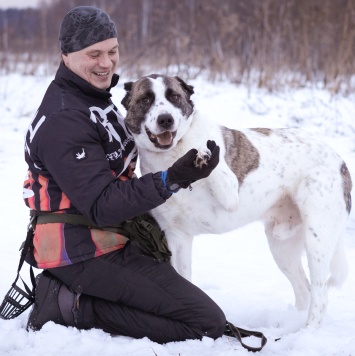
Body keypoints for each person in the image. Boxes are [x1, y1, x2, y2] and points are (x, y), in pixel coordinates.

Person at [23, 6, 225, 343]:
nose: (106, 62)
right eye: (94, 54)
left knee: (171, 299)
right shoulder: (65, 119)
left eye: (112, 51)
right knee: (205, 323)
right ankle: (67, 305)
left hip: (114, 236)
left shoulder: (93, 98)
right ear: (66, 55)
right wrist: (171, 179)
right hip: (80, 249)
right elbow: (102, 204)